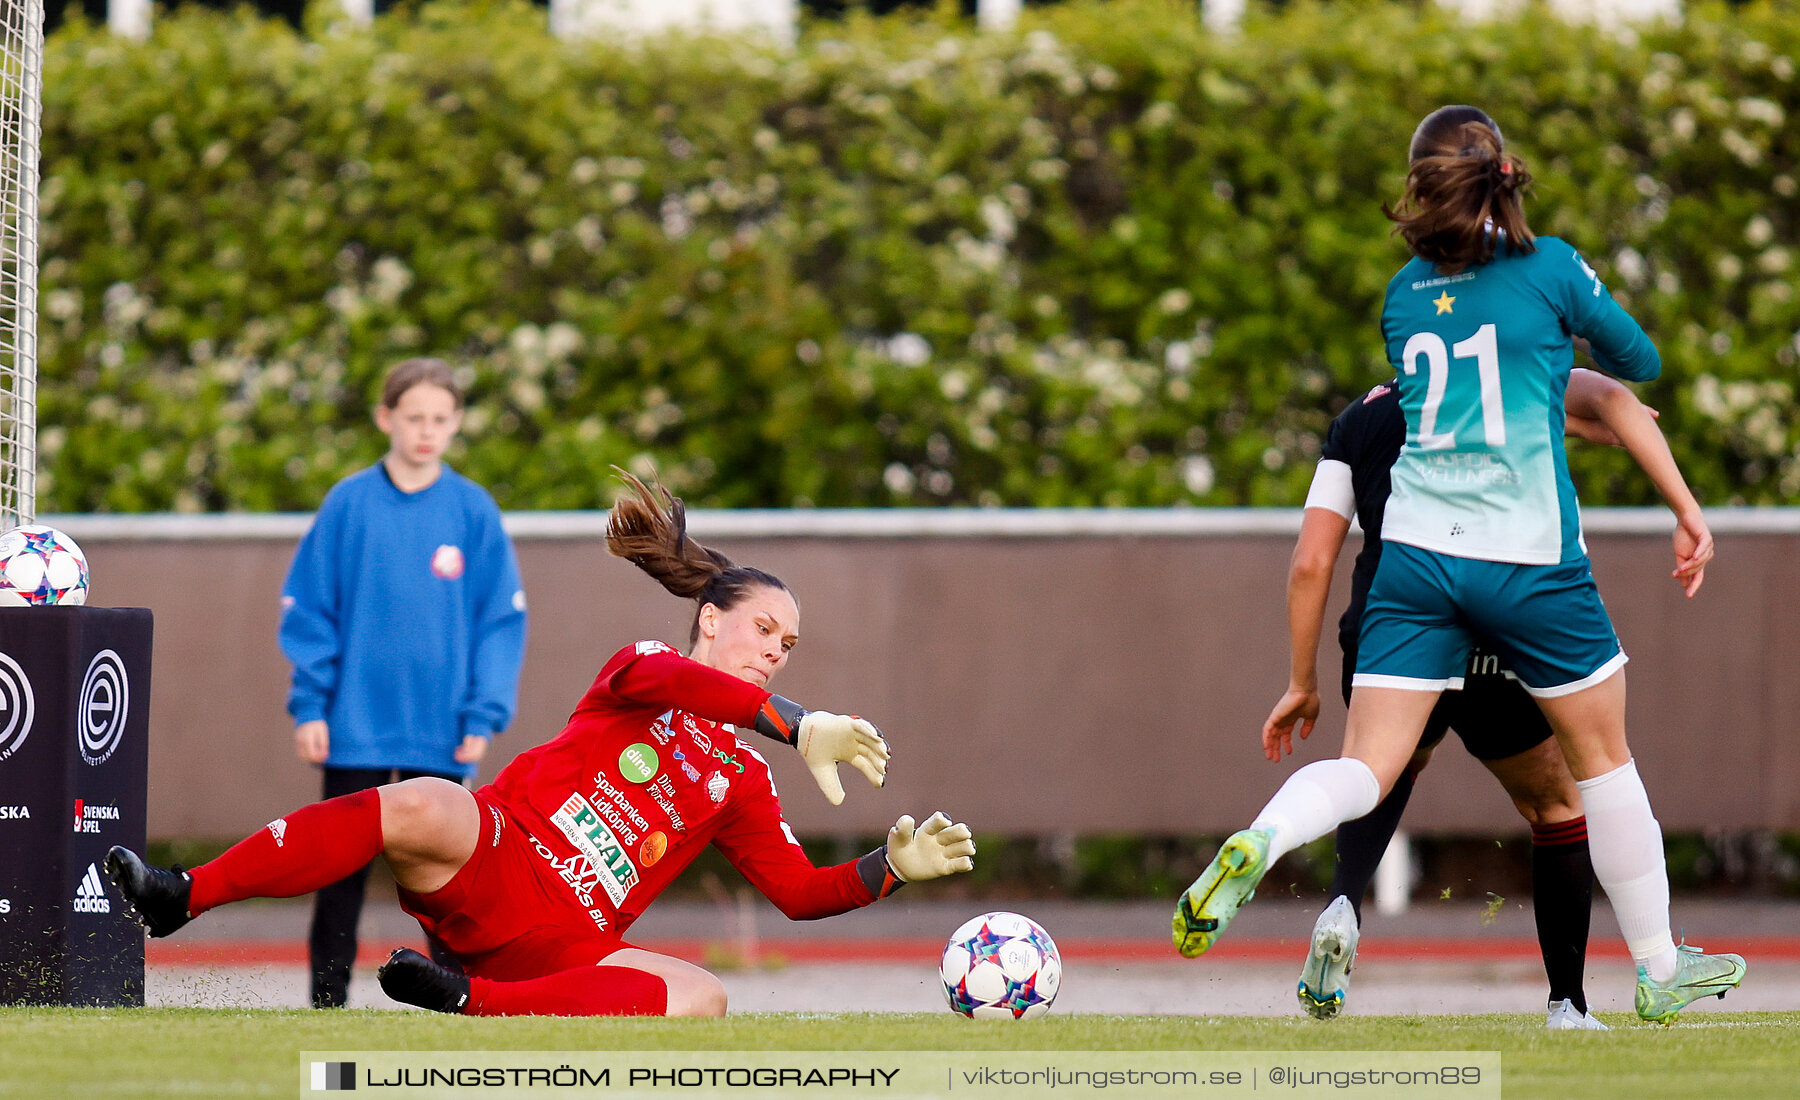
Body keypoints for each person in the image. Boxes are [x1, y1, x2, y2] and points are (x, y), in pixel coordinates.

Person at [1173, 105, 1746, 1025]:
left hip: (1416, 566)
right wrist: (1572, 331)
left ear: (1420, 187)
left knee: (1369, 769)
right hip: (1529, 565)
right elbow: (1639, 361)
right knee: (1600, 767)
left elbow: (1321, 549)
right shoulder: (1550, 267)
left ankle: (1261, 837)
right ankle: (1658, 965)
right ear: (1504, 175)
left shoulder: (1403, 294)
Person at [106, 474, 971, 1017]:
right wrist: (798, 721)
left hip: (563, 943)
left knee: (703, 997)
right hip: (499, 856)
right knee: (425, 799)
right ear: (710, 618)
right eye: (765, 630)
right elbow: (688, 689)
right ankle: (184, 894)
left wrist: (888, 869)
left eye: (789, 646)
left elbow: (797, 892)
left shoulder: (744, 780)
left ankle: (466, 999)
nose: (776, 650)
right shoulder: (648, 664)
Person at [1264, 367, 1711, 1029]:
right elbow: (1614, 407)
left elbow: (1311, 560)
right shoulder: (1515, 378)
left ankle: (1337, 903)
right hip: (1503, 622)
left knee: (1376, 771)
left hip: (1395, 620)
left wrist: (1300, 681)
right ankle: (1574, 1001)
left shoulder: (1361, 415)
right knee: (1561, 799)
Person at [279, 357, 529, 1009]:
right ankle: (326, 1004)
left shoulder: (473, 511)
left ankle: (453, 997)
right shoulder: (349, 503)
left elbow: (499, 622)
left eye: (440, 420)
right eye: (413, 417)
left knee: (446, 878)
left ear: (456, 425)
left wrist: (482, 716)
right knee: (339, 871)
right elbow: (311, 608)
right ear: (385, 418)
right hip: (353, 726)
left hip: (442, 730)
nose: (426, 431)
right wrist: (311, 705)